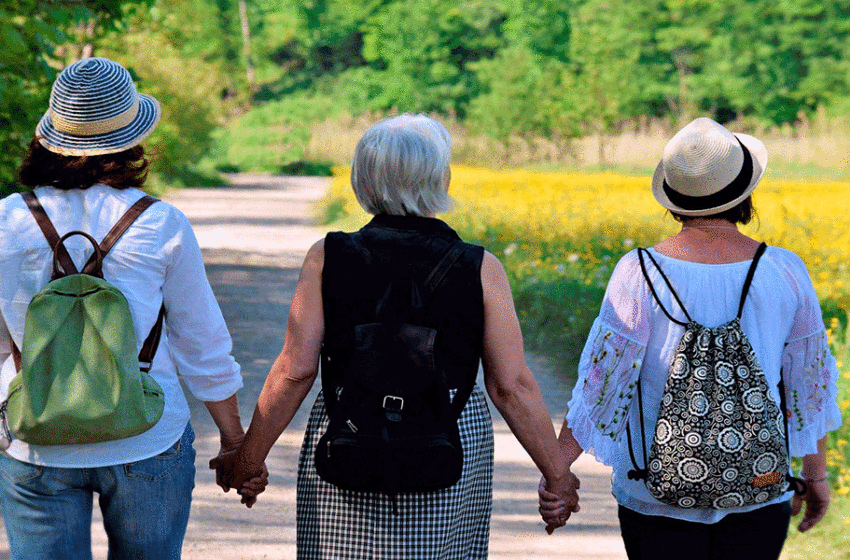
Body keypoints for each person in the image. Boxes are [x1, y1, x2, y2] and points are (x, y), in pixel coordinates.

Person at [212, 114, 579, 558]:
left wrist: (248, 459)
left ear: (361, 180)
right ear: (440, 177)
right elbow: (510, 385)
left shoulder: (328, 257)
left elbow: (295, 371)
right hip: (449, 433)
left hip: (349, 428)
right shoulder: (480, 267)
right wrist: (556, 476)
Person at [539, 117, 842, 559]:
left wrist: (557, 473)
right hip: (758, 488)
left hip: (653, 495)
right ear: (745, 194)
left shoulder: (638, 271)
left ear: (674, 199)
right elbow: (807, 389)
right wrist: (815, 477)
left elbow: (602, 387)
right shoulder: (784, 270)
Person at [0, 57, 255, 560]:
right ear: (131, 138)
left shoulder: (6, 220)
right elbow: (200, 342)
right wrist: (235, 444)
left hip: (36, 439)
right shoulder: (161, 223)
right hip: (147, 437)